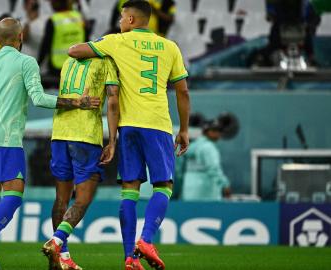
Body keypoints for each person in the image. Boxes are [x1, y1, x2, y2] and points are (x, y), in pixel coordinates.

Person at [0, 17, 100, 270]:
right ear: (21, 37)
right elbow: (38, 98)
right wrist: (77, 102)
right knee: (13, 194)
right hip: (7, 140)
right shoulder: (25, 62)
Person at [68, 1, 190, 269]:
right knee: (163, 186)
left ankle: (129, 258)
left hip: (128, 126)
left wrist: (101, 52)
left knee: (129, 191)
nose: (120, 22)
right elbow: (182, 91)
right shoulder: (170, 47)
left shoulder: (116, 41)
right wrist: (183, 129)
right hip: (157, 124)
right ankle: (146, 240)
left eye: (122, 17)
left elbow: (74, 50)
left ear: (132, 20)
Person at [41, 56, 120, 270]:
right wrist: (112, 141)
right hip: (85, 136)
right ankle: (56, 241)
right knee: (83, 198)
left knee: (61, 199)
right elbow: (112, 101)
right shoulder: (107, 63)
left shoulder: (69, 61)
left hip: (59, 133)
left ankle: (61, 259)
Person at [181, 118, 231, 201]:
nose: (218, 134)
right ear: (207, 132)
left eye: (219, 131)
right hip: (204, 192)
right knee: (206, 214)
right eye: (215, 131)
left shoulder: (192, 146)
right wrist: (225, 184)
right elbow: (213, 169)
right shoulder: (208, 147)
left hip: (188, 190)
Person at [38, 0, 85, 76]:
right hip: (77, 66)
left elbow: (45, 46)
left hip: (57, 68)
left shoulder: (53, 20)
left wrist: (37, 65)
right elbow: (86, 41)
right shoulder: (79, 18)